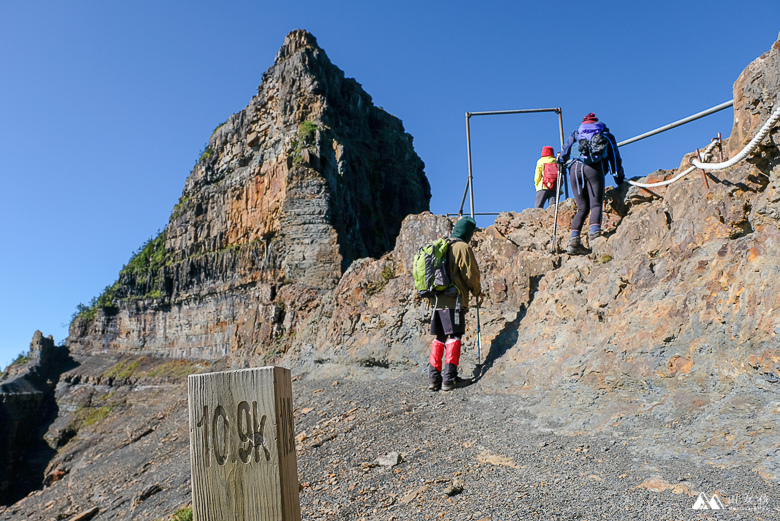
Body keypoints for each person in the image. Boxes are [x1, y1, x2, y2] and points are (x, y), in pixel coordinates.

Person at [428, 216, 483, 392]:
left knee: (440, 338)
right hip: (454, 302)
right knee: (454, 337)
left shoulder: (442, 245)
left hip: (437, 302)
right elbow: (471, 275)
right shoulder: (462, 247)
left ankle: (434, 379)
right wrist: (477, 292)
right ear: (467, 232)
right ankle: (449, 379)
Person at [558, 113, 624, 255]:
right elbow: (614, 157)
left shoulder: (576, 135)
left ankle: (574, 242)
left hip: (574, 170)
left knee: (582, 207)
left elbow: (563, 154)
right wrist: (619, 178)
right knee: (596, 204)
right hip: (593, 168)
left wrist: (561, 162)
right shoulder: (605, 135)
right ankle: (595, 239)